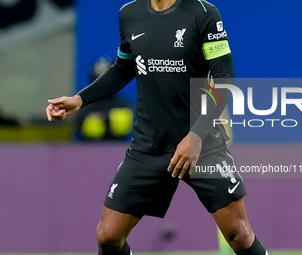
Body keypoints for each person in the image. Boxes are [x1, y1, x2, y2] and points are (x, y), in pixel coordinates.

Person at [46, 0, 269, 255]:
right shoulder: (129, 14)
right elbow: (123, 68)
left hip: (201, 143)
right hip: (148, 145)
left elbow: (224, 78)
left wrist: (195, 136)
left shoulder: (204, 13)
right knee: (108, 236)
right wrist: (80, 99)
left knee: (238, 234)